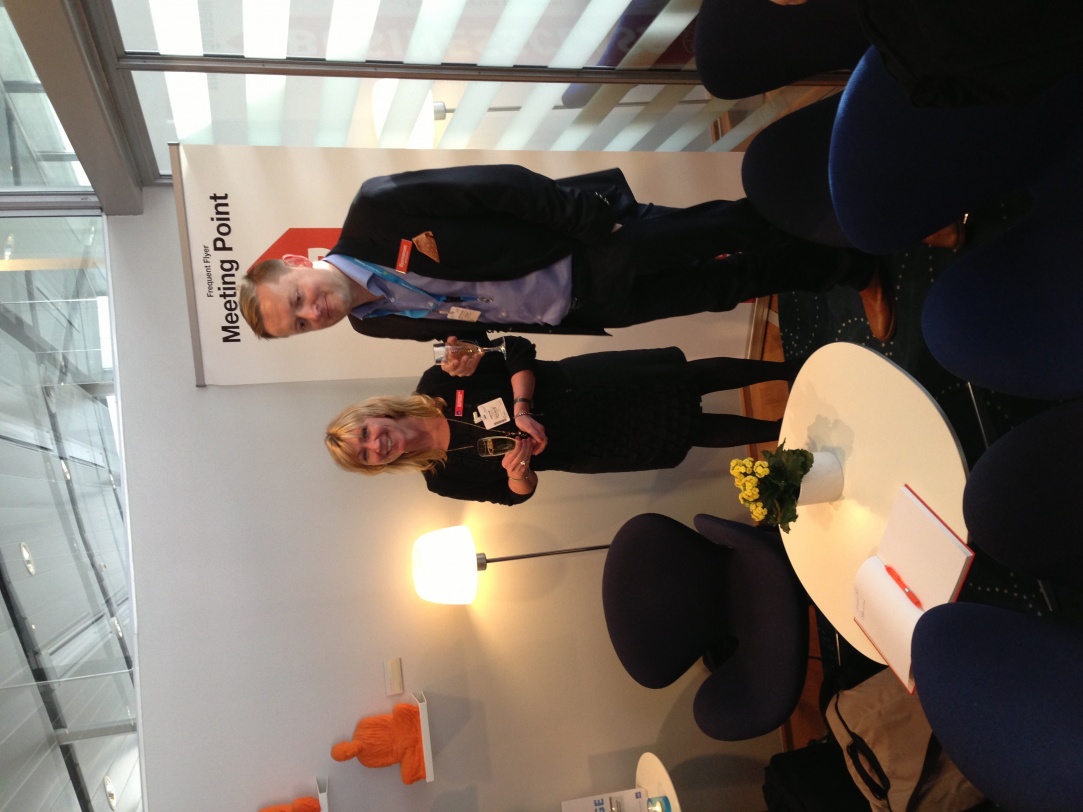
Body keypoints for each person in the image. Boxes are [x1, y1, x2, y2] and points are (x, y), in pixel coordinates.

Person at [239, 164, 894, 344]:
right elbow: (464, 313)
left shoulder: (376, 210)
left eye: (297, 300)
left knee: (728, 227)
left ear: (297, 265)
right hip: (579, 307)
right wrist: (471, 348)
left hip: (587, 247)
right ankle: (847, 268)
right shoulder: (369, 324)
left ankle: (856, 212)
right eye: (299, 324)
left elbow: (500, 185)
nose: (312, 313)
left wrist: (596, 223)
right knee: (724, 287)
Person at [324, 335, 801, 505]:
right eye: (365, 455)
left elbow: (515, 349)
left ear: (372, 415)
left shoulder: (437, 380)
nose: (375, 444)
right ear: (374, 467)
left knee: (688, 379)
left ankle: (789, 369)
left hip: (586, 386)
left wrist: (521, 407)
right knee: (690, 431)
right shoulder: (441, 480)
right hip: (587, 446)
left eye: (364, 433)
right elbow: (513, 496)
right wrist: (519, 472)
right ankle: (782, 430)